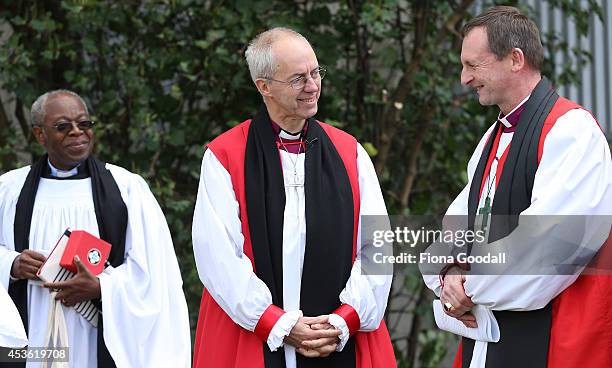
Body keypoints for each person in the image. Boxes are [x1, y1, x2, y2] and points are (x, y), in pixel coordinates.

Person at [191, 27, 396, 367]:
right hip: (256, 338)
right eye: (298, 78)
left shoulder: (349, 153)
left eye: (316, 72)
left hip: (337, 340)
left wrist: (344, 319)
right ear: (264, 86)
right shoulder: (226, 156)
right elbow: (219, 256)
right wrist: (279, 324)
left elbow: (377, 247)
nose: (313, 86)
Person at [422, 6, 612, 368]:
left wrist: (468, 286)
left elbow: (549, 249)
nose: (464, 79)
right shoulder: (492, 140)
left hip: (555, 339)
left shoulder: (571, 131)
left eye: (472, 65)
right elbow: (456, 228)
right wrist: (446, 273)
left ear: (515, 59)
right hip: (490, 334)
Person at [0, 90, 191, 367]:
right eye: (63, 127)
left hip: (98, 334)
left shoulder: (127, 189)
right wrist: (12, 264)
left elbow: (155, 272)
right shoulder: (9, 190)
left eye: (84, 124)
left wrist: (102, 286)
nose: (77, 132)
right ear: (40, 135)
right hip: (33, 335)